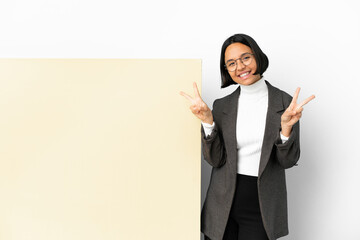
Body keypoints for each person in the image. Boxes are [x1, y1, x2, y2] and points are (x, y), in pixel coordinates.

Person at [180, 33, 315, 240]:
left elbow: (287, 161)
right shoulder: (222, 106)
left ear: (257, 57)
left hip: (262, 206)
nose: (240, 67)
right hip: (221, 203)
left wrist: (286, 128)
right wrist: (208, 121)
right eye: (231, 63)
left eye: (245, 58)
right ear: (226, 70)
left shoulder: (285, 103)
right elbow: (215, 160)